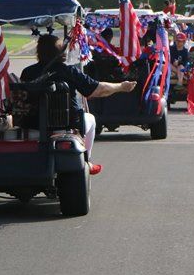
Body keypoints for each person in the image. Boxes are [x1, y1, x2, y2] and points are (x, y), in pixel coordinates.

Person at [21, 34, 136, 175]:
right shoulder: (69, 71)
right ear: (60, 52)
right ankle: (86, 161)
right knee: (91, 120)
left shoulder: (27, 72)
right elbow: (99, 90)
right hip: (66, 124)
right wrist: (121, 87)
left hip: (32, 123)